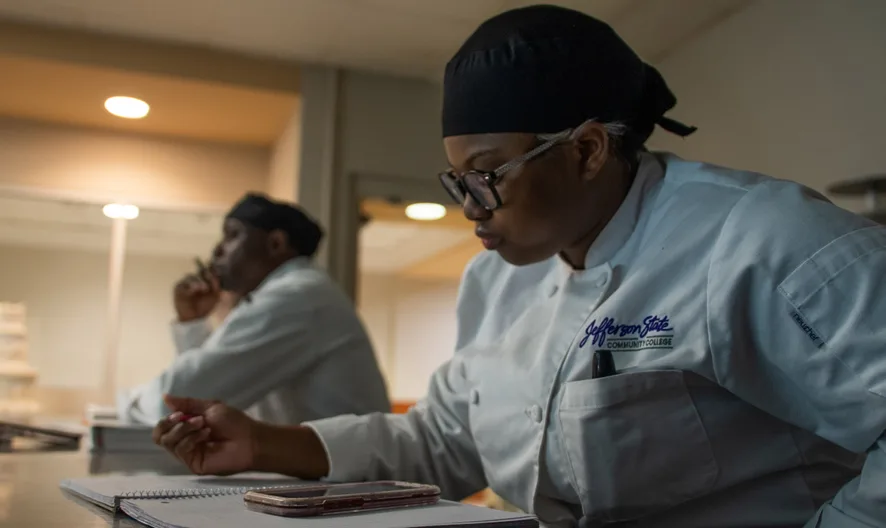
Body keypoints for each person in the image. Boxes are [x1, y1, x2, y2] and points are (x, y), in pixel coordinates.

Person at [151, 6, 886, 528]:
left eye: (487, 173)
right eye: (456, 179)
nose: (469, 205)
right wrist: (267, 444)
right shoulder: (501, 277)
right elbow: (444, 439)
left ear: (589, 149)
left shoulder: (762, 242)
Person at [118, 192, 390, 426]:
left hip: (349, 483)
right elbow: (206, 395)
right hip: (328, 479)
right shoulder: (297, 293)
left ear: (276, 244)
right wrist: (192, 324)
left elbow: (179, 401)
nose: (217, 250)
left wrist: (126, 402)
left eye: (232, 235)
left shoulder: (295, 297)